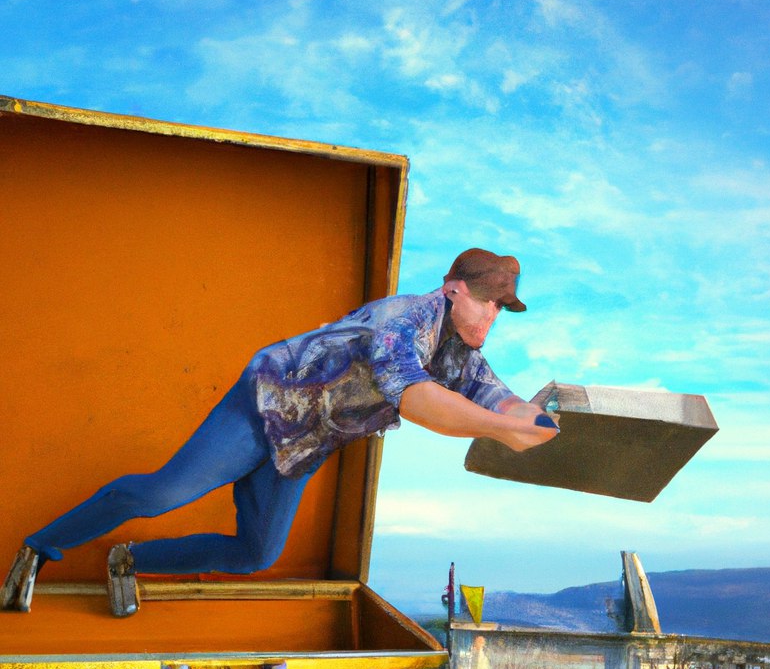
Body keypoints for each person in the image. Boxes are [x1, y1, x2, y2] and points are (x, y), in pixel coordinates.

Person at [1, 248, 558, 617]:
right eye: (486, 302)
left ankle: (126, 560)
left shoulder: (463, 356)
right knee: (162, 493)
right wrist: (499, 431)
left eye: (500, 310)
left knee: (254, 554)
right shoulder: (403, 317)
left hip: (306, 444)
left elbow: (501, 399)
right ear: (453, 289)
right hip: (266, 406)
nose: (491, 317)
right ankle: (37, 548)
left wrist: (542, 423)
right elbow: (416, 400)